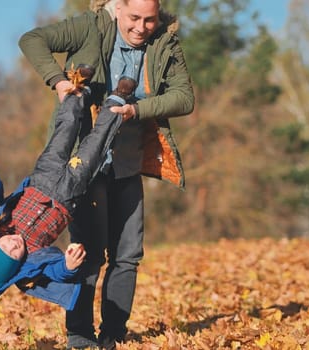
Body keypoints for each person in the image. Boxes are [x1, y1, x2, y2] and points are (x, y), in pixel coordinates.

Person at [19, 0, 195, 348]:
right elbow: (32, 39)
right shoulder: (90, 27)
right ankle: (80, 335)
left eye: (149, 20)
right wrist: (57, 81)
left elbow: (184, 97)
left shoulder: (164, 42)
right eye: (133, 18)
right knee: (87, 252)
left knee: (128, 254)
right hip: (84, 165)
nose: (141, 27)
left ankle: (114, 334)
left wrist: (138, 109)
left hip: (128, 162)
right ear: (117, 9)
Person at [0, 70, 137, 311]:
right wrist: (69, 265)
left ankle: (78, 90)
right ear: (15, 267)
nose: (13, 244)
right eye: (13, 254)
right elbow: (54, 271)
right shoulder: (30, 263)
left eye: (3, 246)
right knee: (94, 148)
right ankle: (117, 99)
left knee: (65, 131)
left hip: (42, 177)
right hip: (68, 194)